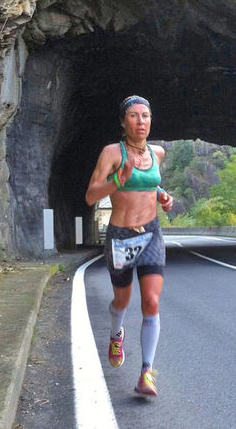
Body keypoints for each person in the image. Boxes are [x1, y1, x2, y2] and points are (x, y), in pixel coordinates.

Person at [85, 95, 173, 397]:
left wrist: (162, 195)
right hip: (121, 236)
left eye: (145, 116)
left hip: (151, 233)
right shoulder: (112, 152)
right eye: (134, 116)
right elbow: (90, 196)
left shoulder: (157, 152)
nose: (141, 121)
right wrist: (117, 182)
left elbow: (150, 183)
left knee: (151, 301)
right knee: (122, 302)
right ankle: (115, 333)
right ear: (124, 122)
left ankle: (146, 372)